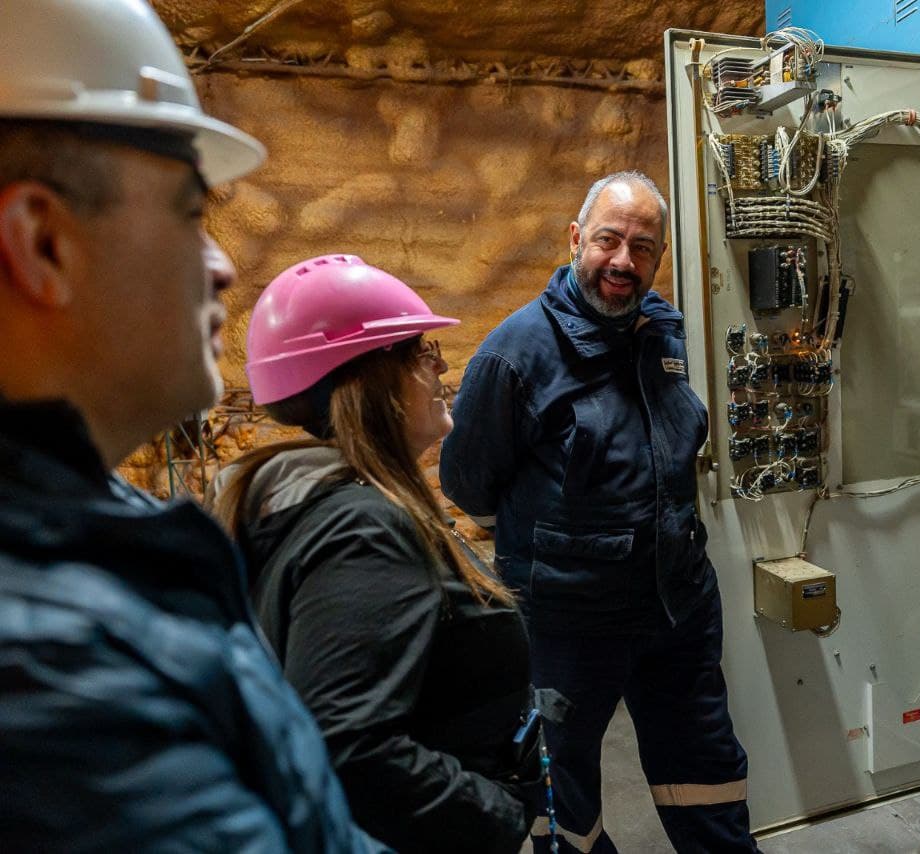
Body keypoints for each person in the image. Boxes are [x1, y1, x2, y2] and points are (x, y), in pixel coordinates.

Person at [0, 1, 386, 850]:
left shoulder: (112, 536)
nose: (225, 265)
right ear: (43, 243)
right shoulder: (50, 680)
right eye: (189, 212)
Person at [440, 171, 759, 853]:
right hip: (568, 620)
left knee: (707, 771)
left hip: (677, 608)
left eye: (643, 248)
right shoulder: (515, 352)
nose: (623, 262)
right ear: (577, 238)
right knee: (562, 794)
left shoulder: (660, 333)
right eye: (609, 240)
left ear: (659, 257)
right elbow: (469, 483)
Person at [209, 255, 545, 853]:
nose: (442, 365)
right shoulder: (363, 530)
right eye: (420, 353)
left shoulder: (332, 501)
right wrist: (496, 812)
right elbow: (347, 747)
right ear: (369, 381)